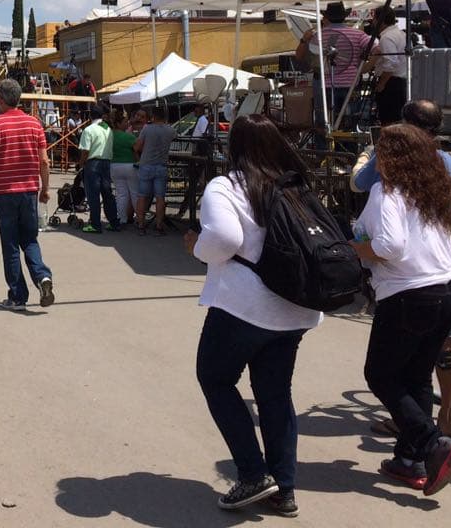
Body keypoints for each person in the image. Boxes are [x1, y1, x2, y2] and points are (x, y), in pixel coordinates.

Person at [186, 114, 322, 517]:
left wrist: (197, 248)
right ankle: (285, 488)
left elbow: (225, 238)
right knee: (275, 395)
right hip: (293, 309)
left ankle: (252, 473)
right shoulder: (295, 184)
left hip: (244, 307)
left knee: (215, 379)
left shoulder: (227, 186)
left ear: (235, 148)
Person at [351, 98, 451, 440]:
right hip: (445, 272)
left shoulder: (388, 186)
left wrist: (358, 248)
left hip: (409, 288)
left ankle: (429, 443)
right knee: (428, 364)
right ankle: (432, 434)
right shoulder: (444, 171)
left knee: (383, 374)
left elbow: (387, 242)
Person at [0, 78, 54, 310]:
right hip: (29, 191)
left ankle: (18, 296)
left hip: (5, 193)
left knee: (10, 244)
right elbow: (44, 160)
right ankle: (42, 277)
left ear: (1, 99)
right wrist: (45, 188)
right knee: (30, 239)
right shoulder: (35, 124)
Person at [296, 2, 373, 129]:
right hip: (350, 84)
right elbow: (377, 49)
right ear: (344, 16)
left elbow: (299, 56)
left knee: (324, 123)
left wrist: (304, 39)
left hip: (324, 84)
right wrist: (364, 68)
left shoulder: (318, 36)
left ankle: (325, 147)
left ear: (326, 17)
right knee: (349, 122)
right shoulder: (358, 34)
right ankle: (348, 148)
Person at [132, 105, 176, 234]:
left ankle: (141, 224)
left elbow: (137, 147)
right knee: (160, 198)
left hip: (146, 165)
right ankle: (159, 225)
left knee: (142, 197)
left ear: (153, 117)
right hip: (161, 166)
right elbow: (175, 136)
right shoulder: (170, 130)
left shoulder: (147, 129)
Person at [77, 104, 120, 233]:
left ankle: (95, 224)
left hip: (93, 163)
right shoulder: (108, 129)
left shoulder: (89, 130)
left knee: (93, 195)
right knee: (107, 194)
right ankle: (113, 222)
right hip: (106, 162)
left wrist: (81, 163)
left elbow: (85, 151)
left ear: (90, 115)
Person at [367, 6, 408, 125]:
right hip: (401, 82)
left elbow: (391, 64)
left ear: (380, 20)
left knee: (389, 121)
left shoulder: (387, 37)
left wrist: (381, 84)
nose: (373, 22)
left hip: (391, 84)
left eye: (374, 18)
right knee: (398, 120)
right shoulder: (402, 34)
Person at [109, 108, 139, 226]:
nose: (127, 123)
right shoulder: (128, 137)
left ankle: (122, 218)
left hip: (114, 166)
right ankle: (139, 219)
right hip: (130, 166)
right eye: (125, 122)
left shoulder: (109, 136)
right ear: (118, 123)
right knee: (135, 193)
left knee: (121, 194)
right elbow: (138, 147)